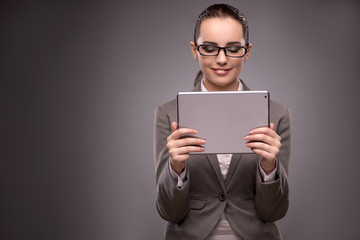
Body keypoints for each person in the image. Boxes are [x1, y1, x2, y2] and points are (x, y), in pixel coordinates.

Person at [153, 4, 291, 240]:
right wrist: (176, 169)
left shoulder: (276, 115)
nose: (222, 59)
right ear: (194, 50)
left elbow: (274, 212)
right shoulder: (169, 115)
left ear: (247, 51)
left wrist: (269, 168)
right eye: (209, 48)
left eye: (233, 49)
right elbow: (169, 212)